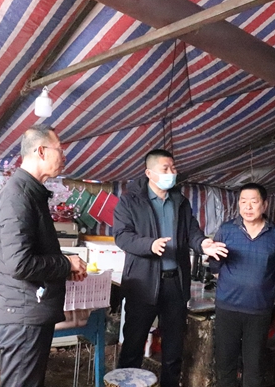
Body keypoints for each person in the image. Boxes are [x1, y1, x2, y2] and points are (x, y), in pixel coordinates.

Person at [113, 149, 228, 387]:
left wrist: (203, 243)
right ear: (149, 173)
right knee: (133, 345)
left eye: (173, 168)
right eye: (165, 169)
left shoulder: (180, 201)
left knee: (173, 349)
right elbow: (122, 236)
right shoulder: (130, 201)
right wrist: (149, 245)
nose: (171, 173)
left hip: (175, 284)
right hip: (142, 284)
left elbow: (192, 231)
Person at [0, 125, 87, 387]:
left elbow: (32, 251)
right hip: (23, 313)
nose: (64, 157)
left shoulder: (31, 192)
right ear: (42, 151)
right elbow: (19, 263)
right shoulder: (18, 196)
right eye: (60, 150)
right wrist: (65, 263)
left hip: (29, 310)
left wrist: (65, 266)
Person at [210, 183, 275, 387]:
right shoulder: (226, 230)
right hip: (227, 307)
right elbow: (215, 266)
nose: (248, 207)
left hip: (258, 310)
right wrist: (234, 284)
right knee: (225, 363)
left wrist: (262, 286)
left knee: (254, 366)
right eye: (243, 202)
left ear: (264, 205)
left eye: (253, 202)